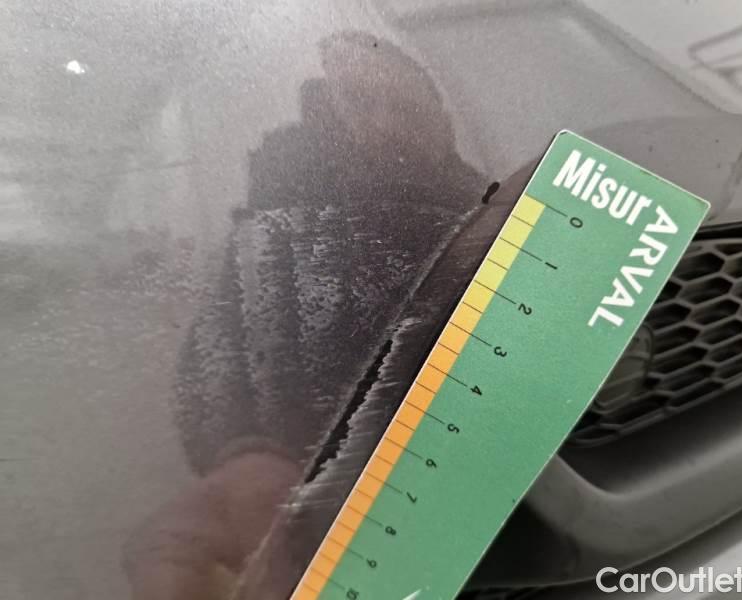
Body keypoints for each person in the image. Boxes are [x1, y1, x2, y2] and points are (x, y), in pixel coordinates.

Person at [124, 31, 487, 599]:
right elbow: (221, 347)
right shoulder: (278, 229)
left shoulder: (503, 219)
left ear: (443, 120)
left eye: (407, 106)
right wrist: (246, 451)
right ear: (335, 119)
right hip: (334, 530)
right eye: (361, 104)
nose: (388, 123)